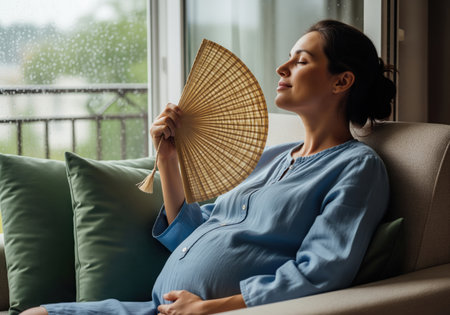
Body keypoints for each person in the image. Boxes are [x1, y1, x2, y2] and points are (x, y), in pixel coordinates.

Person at [22, 19, 396, 315]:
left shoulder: (357, 167)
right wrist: (167, 159)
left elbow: (321, 271)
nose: (282, 67)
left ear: (342, 81)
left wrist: (207, 308)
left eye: (301, 61)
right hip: (154, 308)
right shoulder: (271, 157)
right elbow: (193, 234)